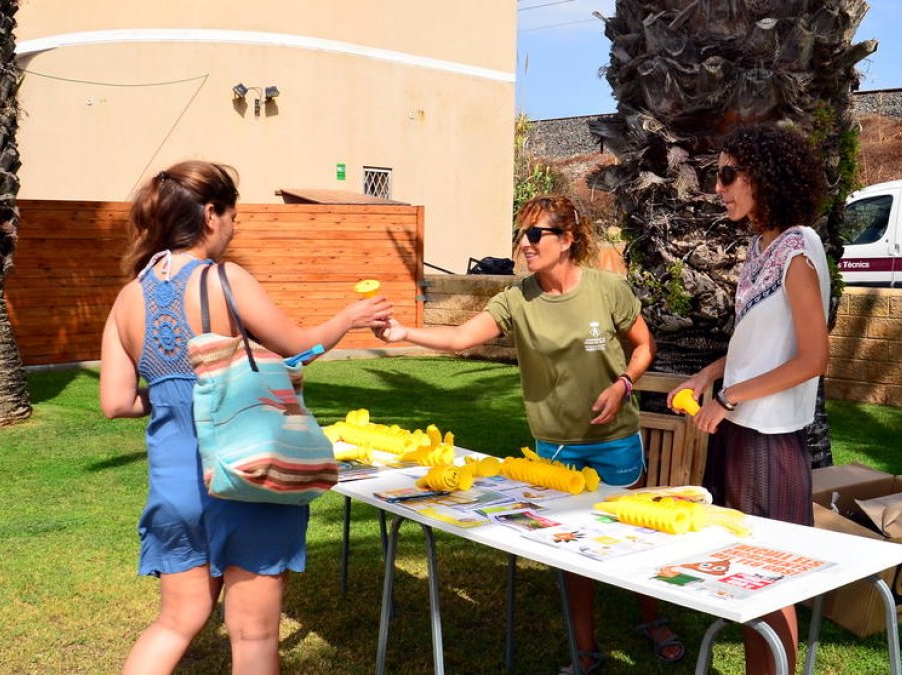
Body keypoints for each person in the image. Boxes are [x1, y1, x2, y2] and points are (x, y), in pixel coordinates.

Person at [99, 160, 393, 675]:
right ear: (211, 214)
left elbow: (117, 402)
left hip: (174, 488)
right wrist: (350, 316)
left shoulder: (127, 298)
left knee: (174, 623)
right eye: (233, 216)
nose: (234, 228)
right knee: (253, 637)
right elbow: (299, 348)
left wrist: (174, 397)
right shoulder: (224, 278)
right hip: (245, 474)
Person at [375, 195, 679, 674]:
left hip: (615, 439)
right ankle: (585, 651)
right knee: (570, 548)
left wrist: (623, 385)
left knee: (633, 534)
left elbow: (643, 346)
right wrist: (403, 335)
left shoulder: (607, 289)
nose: (524, 244)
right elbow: (458, 338)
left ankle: (652, 618)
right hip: (554, 448)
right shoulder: (516, 299)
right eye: (522, 235)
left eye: (535, 234)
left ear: (568, 239)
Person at [666, 124, 830, 675]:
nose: (719, 187)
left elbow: (813, 359)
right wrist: (709, 376)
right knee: (740, 568)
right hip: (739, 431)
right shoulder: (761, 248)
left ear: (766, 176)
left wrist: (729, 397)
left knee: (769, 577)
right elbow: (756, 344)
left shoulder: (798, 247)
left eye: (729, 174)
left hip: (768, 440)